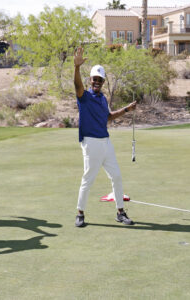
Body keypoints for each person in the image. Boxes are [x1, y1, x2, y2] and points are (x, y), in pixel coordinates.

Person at [73, 47, 137, 227]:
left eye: (100, 80)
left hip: (105, 142)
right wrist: (77, 68)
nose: (97, 82)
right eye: (95, 79)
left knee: (116, 176)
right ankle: (80, 213)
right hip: (90, 142)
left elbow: (108, 117)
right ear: (90, 80)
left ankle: (120, 212)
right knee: (88, 179)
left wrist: (126, 109)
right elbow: (77, 86)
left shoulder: (103, 98)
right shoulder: (84, 96)